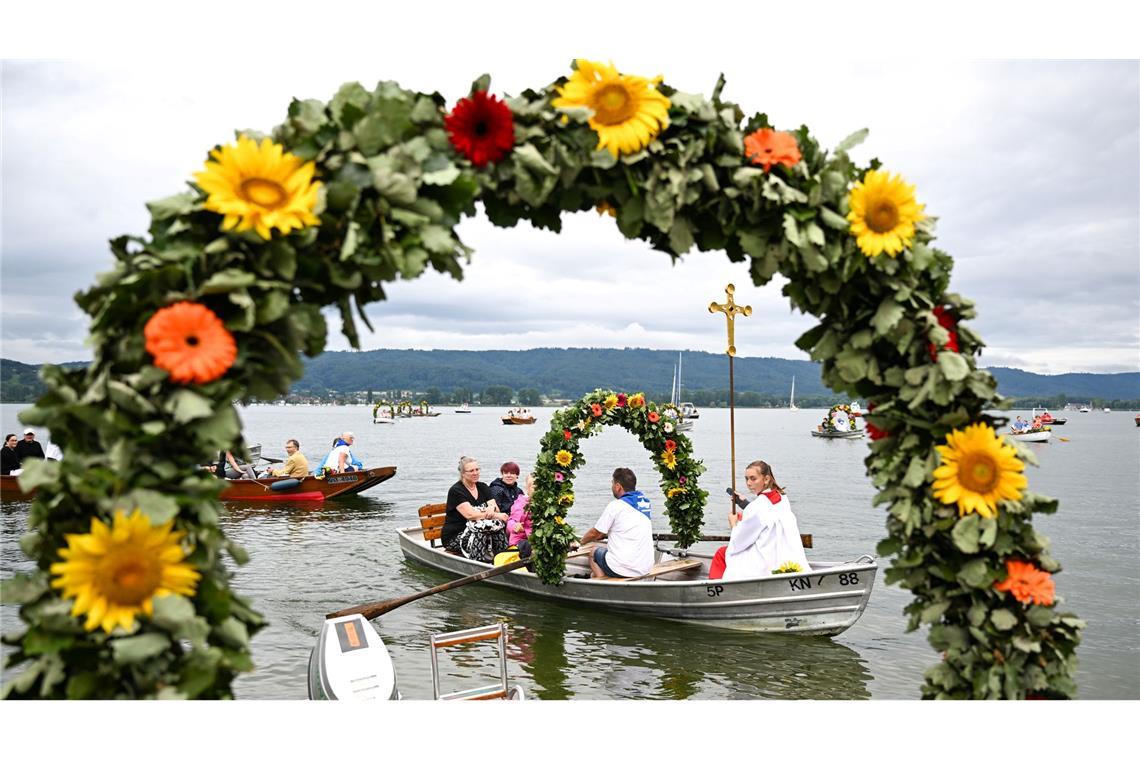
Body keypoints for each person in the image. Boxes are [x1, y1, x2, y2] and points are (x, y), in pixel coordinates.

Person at [708, 460, 810, 580]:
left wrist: (733, 523)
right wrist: (744, 504)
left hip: (764, 560)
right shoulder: (782, 498)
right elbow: (766, 513)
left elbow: (740, 541)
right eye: (746, 479)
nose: (749, 483)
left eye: (753, 479)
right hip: (783, 554)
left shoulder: (756, 508)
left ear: (766, 479)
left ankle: (715, 587)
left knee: (722, 553)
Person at [578, 467, 654, 579]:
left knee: (593, 552)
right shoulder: (645, 504)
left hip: (623, 568)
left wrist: (580, 542)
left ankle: (602, 584)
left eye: (612, 483)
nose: (612, 486)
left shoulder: (616, 506)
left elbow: (595, 533)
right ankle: (595, 576)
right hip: (645, 568)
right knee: (594, 573)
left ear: (618, 486)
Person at [442, 456, 509, 562]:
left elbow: (495, 508)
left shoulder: (483, 487)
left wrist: (492, 509)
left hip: (482, 527)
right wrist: (494, 514)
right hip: (456, 534)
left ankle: (503, 560)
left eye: (477, 469)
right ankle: (478, 564)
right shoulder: (456, 491)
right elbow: (471, 515)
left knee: (498, 531)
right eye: (471, 471)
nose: (475, 473)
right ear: (463, 473)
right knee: (480, 535)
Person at [507, 473, 536, 548]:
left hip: (538, 538)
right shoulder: (521, 503)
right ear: (527, 488)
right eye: (534, 487)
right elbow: (510, 521)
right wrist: (515, 526)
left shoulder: (545, 503)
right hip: (521, 541)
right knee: (528, 546)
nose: (537, 490)